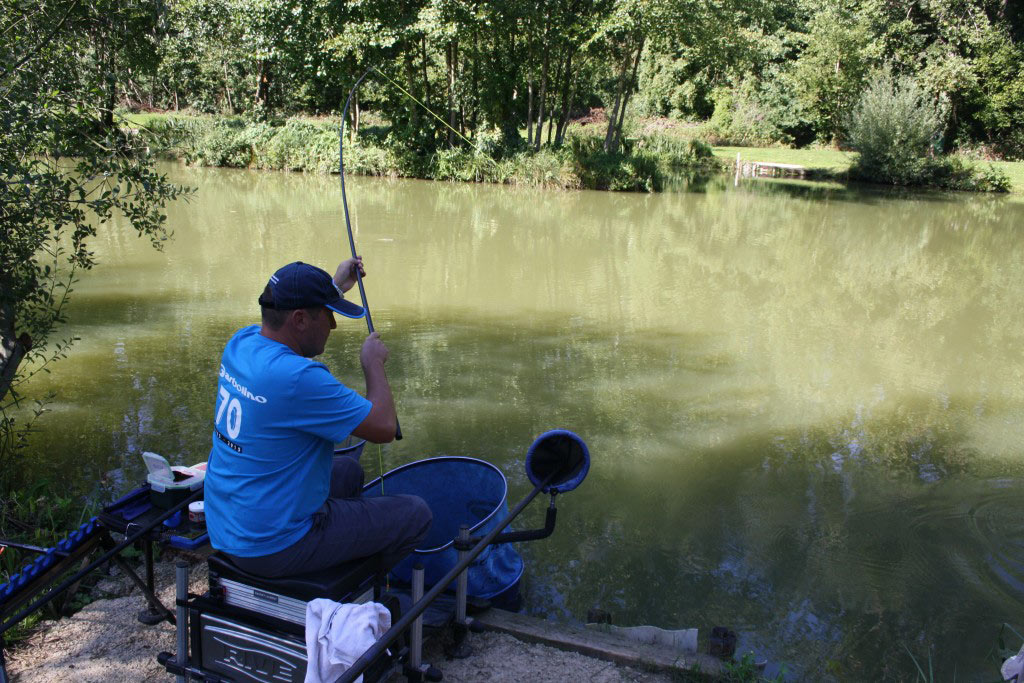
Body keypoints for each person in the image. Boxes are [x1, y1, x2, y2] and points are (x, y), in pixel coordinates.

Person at [204, 259, 431, 578]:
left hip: (228, 524)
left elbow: (291, 316)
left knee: (349, 471)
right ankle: (353, 589)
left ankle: (333, 559)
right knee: (414, 514)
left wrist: (334, 288)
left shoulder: (242, 344)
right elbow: (384, 426)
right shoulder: (297, 378)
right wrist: (373, 364)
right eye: (329, 314)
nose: (334, 326)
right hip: (271, 547)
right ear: (299, 319)